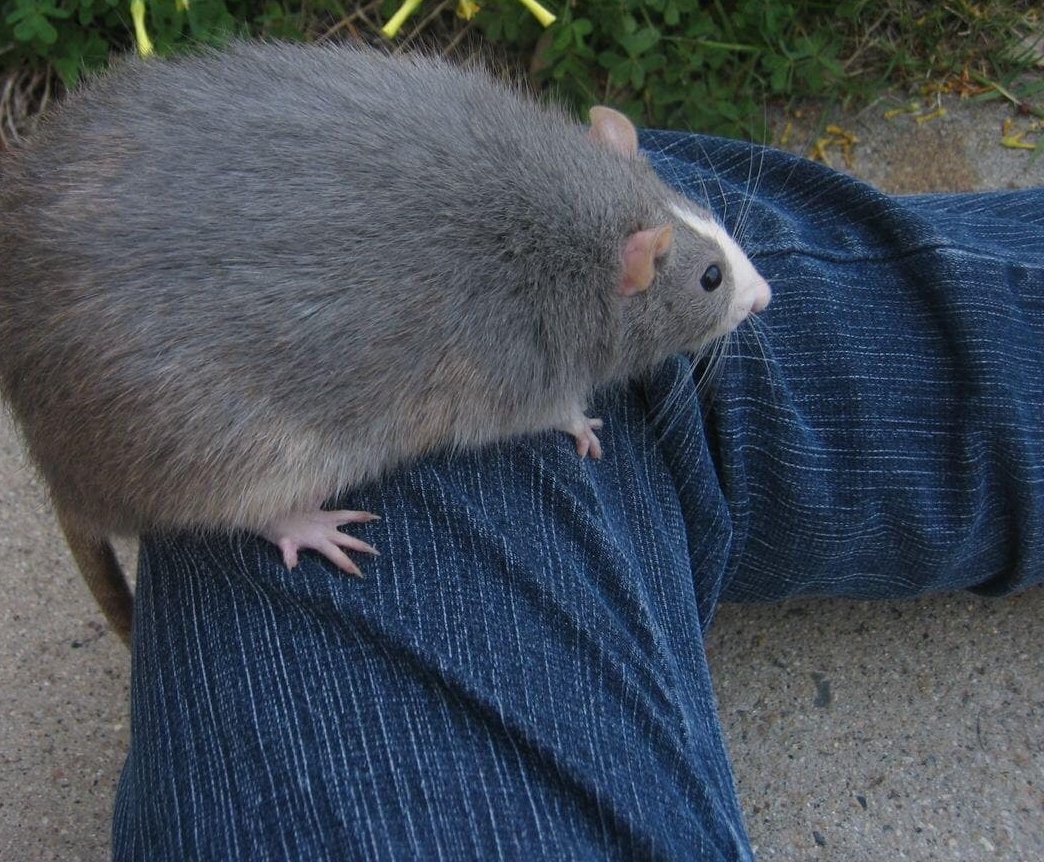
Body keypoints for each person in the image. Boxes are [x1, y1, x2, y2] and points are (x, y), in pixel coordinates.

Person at [109, 128, 1043, 860]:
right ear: (632, 275)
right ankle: (269, 512)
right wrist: (558, 409)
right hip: (228, 397)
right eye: (722, 280)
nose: (755, 300)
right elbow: (469, 402)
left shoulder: (595, 249)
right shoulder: (575, 301)